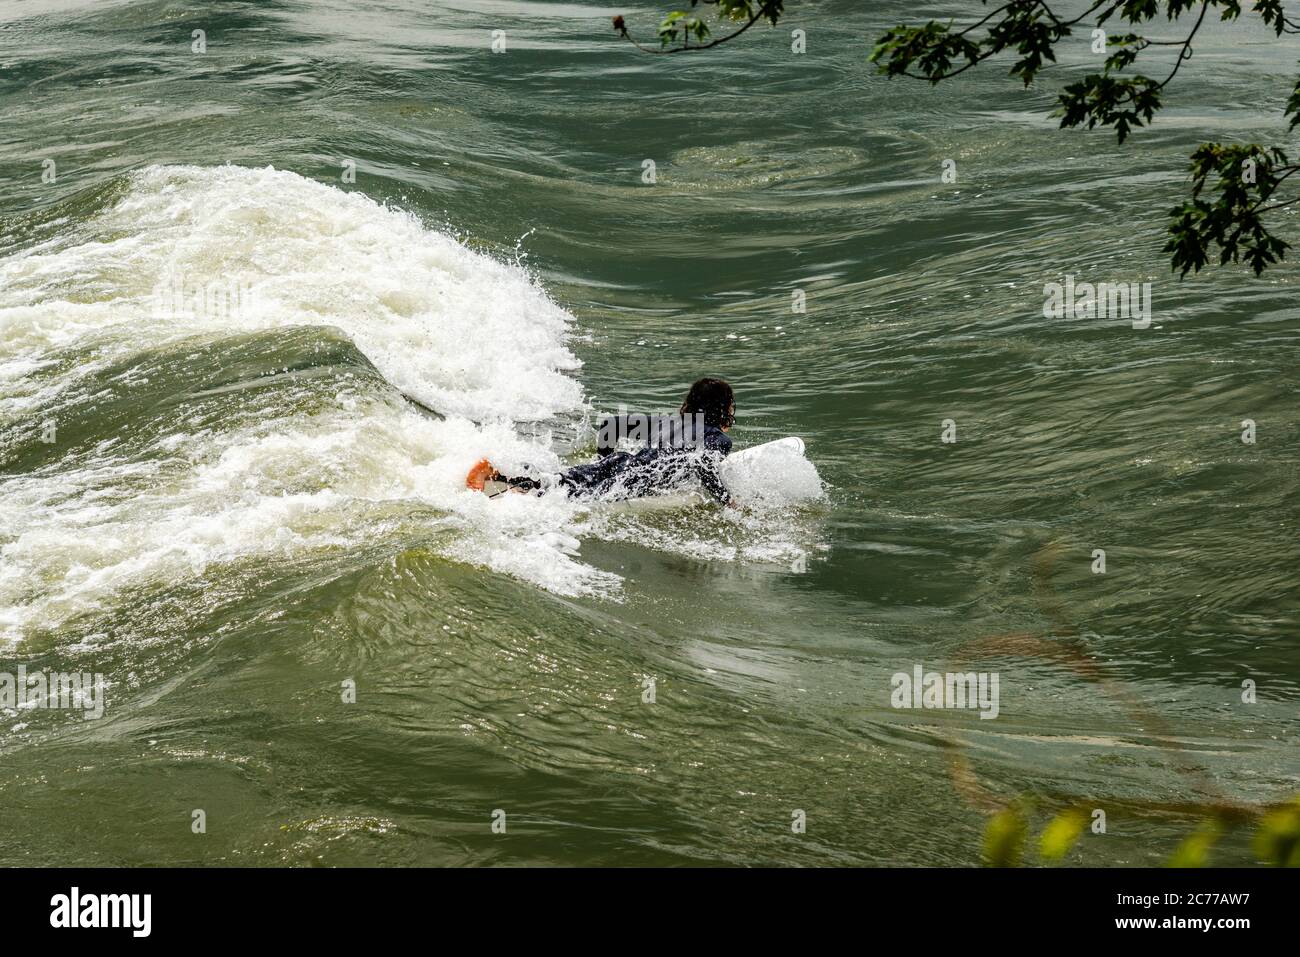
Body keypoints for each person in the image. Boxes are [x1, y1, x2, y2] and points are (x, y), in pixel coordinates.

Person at [467, 377, 737, 506]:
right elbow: (703, 464)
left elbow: (610, 426)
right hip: (641, 478)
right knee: (575, 498)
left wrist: (604, 461)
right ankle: (508, 493)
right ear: (723, 408)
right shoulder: (718, 438)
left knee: (561, 481)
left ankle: (495, 478)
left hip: (622, 462)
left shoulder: (665, 422)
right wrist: (728, 502)